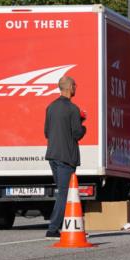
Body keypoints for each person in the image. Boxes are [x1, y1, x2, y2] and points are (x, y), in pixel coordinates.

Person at [44, 76, 86, 238]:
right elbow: (76, 133)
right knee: (65, 193)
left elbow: (47, 132)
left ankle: (70, 225)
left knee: (64, 192)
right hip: (66, 157)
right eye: (75, 85)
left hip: (53, 155)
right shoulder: (73, 109)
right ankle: (53, 229)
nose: (76, 87)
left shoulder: (51, 107)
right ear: (70, 88)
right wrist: (83, 125)